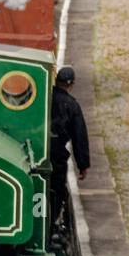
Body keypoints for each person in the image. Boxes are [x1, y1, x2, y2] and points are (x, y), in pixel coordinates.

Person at [49, 65, 90, 235]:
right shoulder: (72, 105)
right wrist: (83, 164)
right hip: (57, 154)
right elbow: (79, 136)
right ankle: (52, 223)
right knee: (57, 190)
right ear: (71, 84)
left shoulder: (44, 97)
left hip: (35, 151)